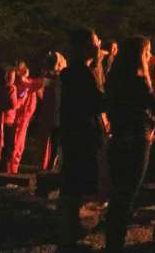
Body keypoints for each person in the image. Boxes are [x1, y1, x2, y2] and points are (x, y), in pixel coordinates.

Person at [105, 35, 155, 251]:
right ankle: (115, 244)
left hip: (119, 139)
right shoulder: (140, 80)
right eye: (147, 53)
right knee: (129, 194)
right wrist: (154, 78)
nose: (150, 57)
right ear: (139, 55)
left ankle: (113, 241)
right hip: (138, 140)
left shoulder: (114, 78)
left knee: (119, 193)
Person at [58, 28, 107, 246]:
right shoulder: (82, 74)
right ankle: (71, 235)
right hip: (83, 135)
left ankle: (69, 230)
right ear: (82, 47)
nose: (98, 48)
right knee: (79, 183)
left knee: (73, 182)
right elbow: (99, 102)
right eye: (94, 44)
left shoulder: (72, 73)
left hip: (74, 135)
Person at [7, 60, 46, 174]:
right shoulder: (23, 82)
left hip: (22, 119)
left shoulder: (25, 82)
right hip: (20, 119)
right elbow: (42, 83)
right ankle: (11, 170)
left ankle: (11, 169)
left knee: (18, 145)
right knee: (17, 145)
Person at [0, 64, 25, 171]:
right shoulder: (11, 88)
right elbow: (13, 105)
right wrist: (21, 99)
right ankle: (4, 169)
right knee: (8, 147)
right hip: (7, 121)